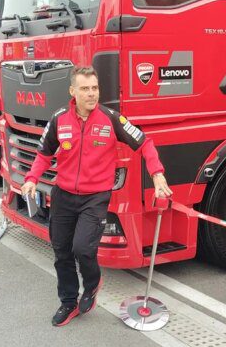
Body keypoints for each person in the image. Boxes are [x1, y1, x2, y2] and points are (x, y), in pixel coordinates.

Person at [21, 66, 173, 326]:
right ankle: (68, 303)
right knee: (62, 252)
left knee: (82, 248)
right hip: (63, 195)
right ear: (73, 91)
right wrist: (31, 179)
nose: (91, 94)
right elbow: (45, 155)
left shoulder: (111, 119)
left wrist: (157, 174)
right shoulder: (58, 119)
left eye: (95, 88)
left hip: (95, 197)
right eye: (85, 89)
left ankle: (91, 284)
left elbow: (145, 143)